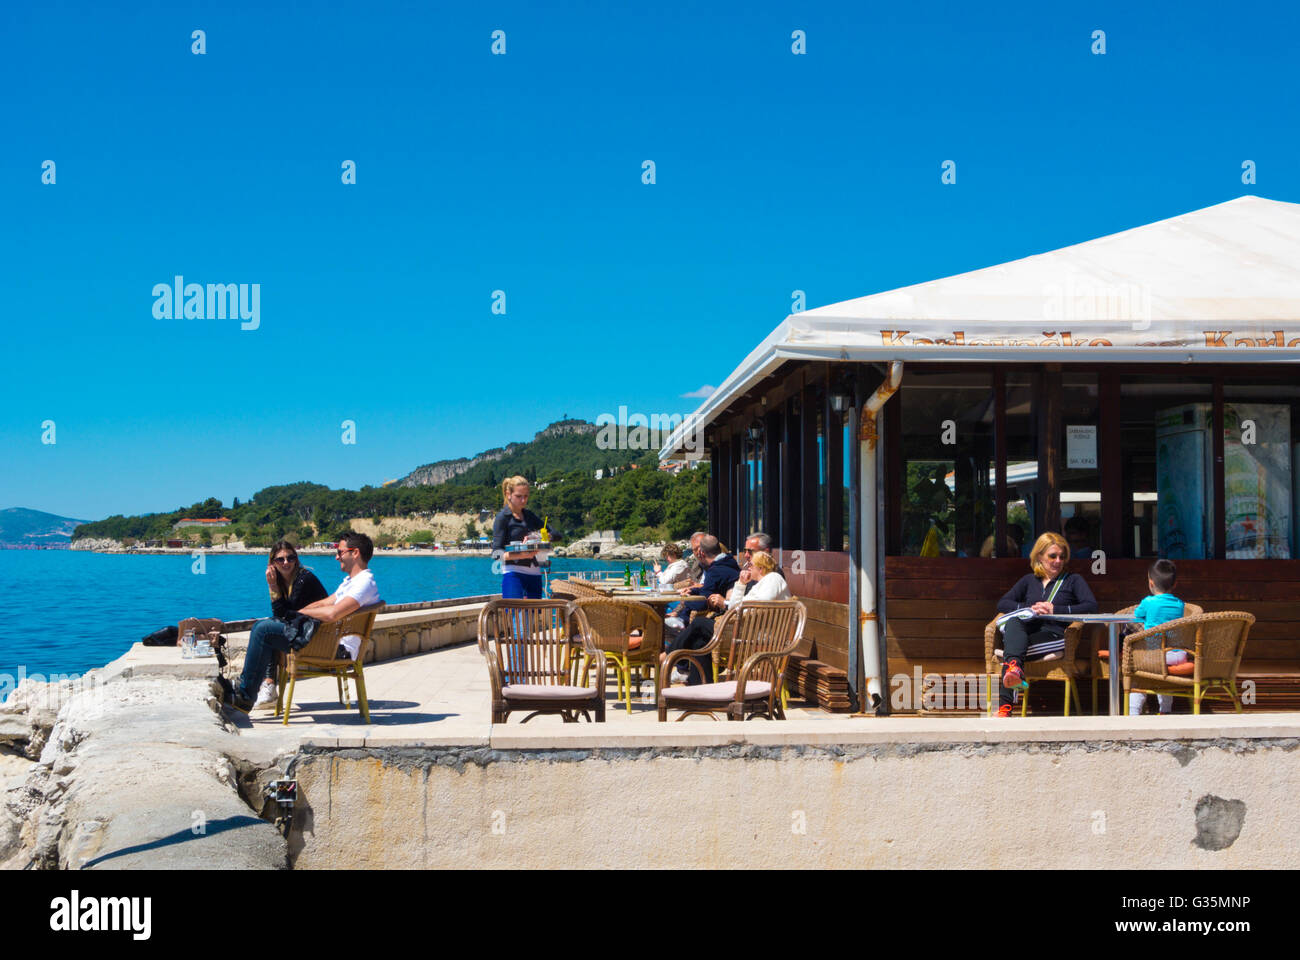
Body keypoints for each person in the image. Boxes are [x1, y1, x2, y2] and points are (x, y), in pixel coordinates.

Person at [226, 532, 381, 712]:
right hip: (327, 640)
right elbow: (325, 602)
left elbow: (332, 614)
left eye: (340, 552)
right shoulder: (352, 582)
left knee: (263, 630)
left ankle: (245, 695)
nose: (336, 556)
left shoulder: (364, 584)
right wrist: (298, 613)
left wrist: (297, 614)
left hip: (337, 649)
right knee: (266, 628)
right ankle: (249, 688)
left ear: (355, 553)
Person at [994, 532, 1097, 717]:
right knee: (1014, 623)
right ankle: (1014, 671)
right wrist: (1030, 607)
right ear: (1039, 556)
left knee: (1012, 653)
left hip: (1055, 635)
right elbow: (1003, 603)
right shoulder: (1029, 580)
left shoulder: (1073, 580)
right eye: (1052, 556)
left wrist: (1054, 609)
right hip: (1029, 633)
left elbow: (1091, 606)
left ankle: (1005, 708)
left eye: (1062, 556)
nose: (1058, 561)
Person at [253, 540, 328, 700]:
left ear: (296, 559)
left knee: (267, 630)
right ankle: (266, 684)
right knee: (269, 628)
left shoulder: (303, 579)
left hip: (317, 638)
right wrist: (274, 585)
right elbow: (284, 616)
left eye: (290, 558)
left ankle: (266, 685)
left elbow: (284, 615)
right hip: (303, 633)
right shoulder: (283, 582)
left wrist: (272, 587)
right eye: (280, 559)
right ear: (272, 563)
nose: (286, 562)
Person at [1127, 559, 1187, 716]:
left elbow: (1137, 615)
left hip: (1155, 654)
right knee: (1162, 680)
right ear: (1175, 584)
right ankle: (1165, 711)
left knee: (1137, 677)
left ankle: (1133, 715)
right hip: (1178, 655)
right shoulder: (1180, 604)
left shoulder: (1148, 601)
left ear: (1151, 582)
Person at [491, 476, 545, 599]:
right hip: (513, 572)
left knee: (534, 617)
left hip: (535, 573)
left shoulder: (529, 516)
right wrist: (522, 554)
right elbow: (496, 554)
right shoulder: (502, 518)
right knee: (514, 615)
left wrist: (537, 537)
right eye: (519, 496)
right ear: (508, 494)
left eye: (526, 496)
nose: (523, 500)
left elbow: (555, 533)